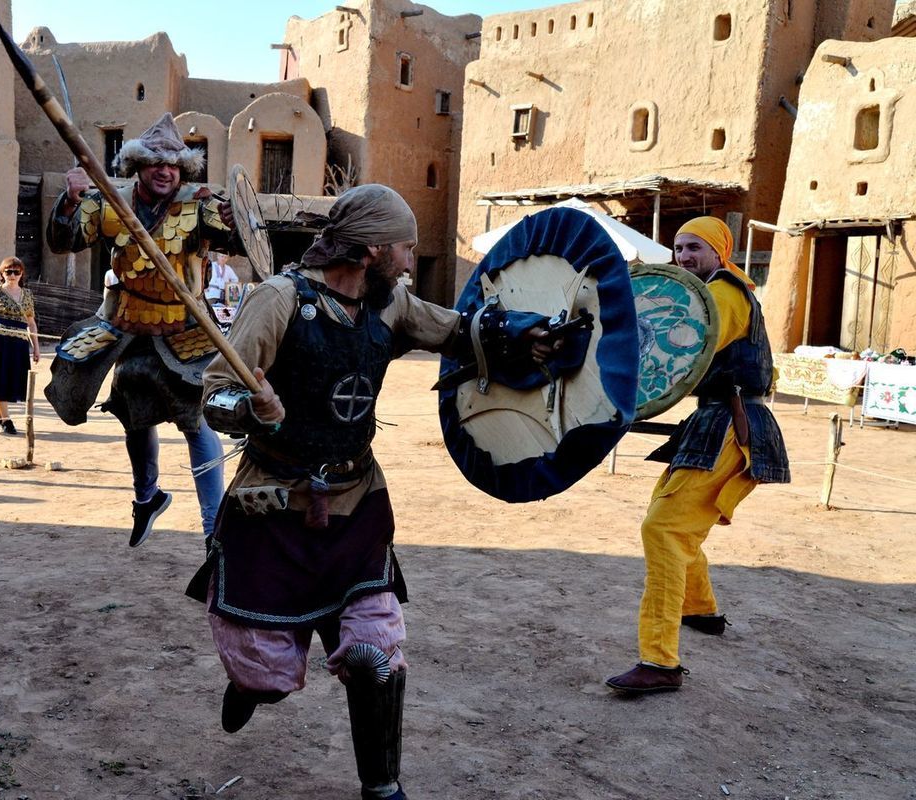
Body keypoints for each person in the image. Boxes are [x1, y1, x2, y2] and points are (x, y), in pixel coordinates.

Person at [186, 184, 558, 800]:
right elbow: (214, 395)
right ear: (370, 250)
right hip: (273, 504)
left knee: (375, 652)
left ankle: (381, 787)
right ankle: (253, 684)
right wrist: (251, 408)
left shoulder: (390, 305)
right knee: (268, 669)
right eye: (405, 249)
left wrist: (526, 332)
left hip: (357, 502)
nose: (411, 261)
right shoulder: (278, 300)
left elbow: (460, 330)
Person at [605, 217, 790, 694]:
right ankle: (700, 609)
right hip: (716, 418)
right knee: (677, 519)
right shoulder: (711, 290)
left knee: (664, 528)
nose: (683, 257)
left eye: (693, 248)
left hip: (731, 423)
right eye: (678, 248)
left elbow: (684, 350)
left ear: (719, 251)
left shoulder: (723, 295)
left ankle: (660, 662)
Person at [46, 112, 239, 547]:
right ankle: (147, 498)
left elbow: (232, 237)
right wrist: (72, 199)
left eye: (173, 164)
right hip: (128, 325)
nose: (165, 171)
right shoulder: (109, 201)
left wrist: (233, 218)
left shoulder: (199, 203)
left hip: (184, 328)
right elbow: (64, 241)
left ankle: (215, 529)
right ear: (138, 166)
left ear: (183, 168)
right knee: (134, 415)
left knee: (194, 420)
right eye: (155, 163)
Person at [0, 257, 41, 435]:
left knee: (15, 380)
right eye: (8, 272)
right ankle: (6, 420)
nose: (12, 275)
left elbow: (31, 323)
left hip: (19, 343)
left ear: (21, 274)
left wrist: (36, 347)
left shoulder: (27, 295)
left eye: (16, 272)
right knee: (0, 378)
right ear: (2, 274)